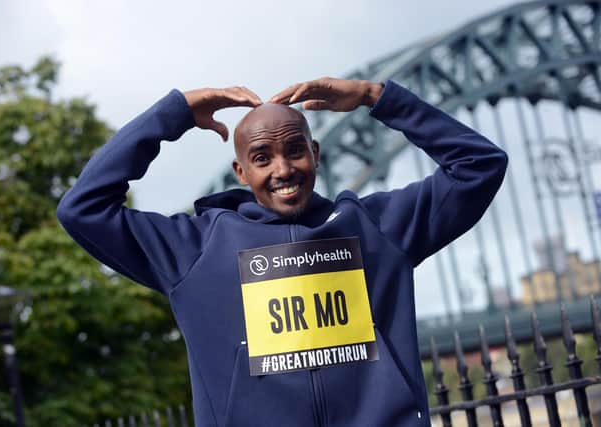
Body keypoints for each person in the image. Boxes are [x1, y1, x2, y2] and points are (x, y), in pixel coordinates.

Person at [57, 77, 507, 427]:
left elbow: (479, 166)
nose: (283, 169)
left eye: (295, 151)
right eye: (262, 157)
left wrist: (376, 96)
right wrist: (173, 114)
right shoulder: (193, 249)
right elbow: (83, 209)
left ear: (315, 153)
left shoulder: (377, 229)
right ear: (240, 170)